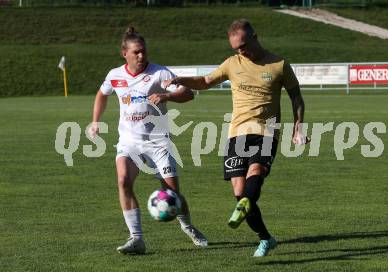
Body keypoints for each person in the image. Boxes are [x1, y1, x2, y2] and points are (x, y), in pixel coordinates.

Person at [163, 19, 308, 257]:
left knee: (257, 172)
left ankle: (245, 207)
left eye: (242, 45)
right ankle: (265, 238)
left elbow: (296, 97)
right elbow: (206, 81)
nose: (240, 51)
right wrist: (181, 80)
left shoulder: (279, 64)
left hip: (266, 131)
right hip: (237, 132)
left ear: (254, 36)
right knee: (240, 192)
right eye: (236, 48)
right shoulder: (232, 64)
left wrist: (298, 127)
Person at [89, 27, 208, 255]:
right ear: (125, 53)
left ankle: (188, 226)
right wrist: (95, 121)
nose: (142, 56)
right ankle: (136, 239)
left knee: (172, 194)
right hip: (129, 142)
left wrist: (167, 96)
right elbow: (102, 94)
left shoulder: (159, 73)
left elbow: (188, 93)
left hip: (158, 143)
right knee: (123, 181)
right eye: (136, 52)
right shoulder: (115, 75)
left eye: (143, 51)